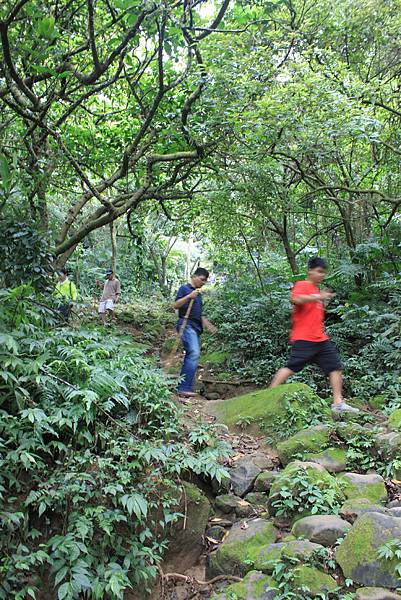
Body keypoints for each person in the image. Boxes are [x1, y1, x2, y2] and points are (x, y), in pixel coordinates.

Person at [269, 256, 359, 413]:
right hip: (304, 338)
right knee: (291, 367)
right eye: (318, 271)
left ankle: (338, 403)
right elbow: (296, 299)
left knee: (335, 367)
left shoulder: (318, 291)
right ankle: (268, 396)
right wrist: (319, 296)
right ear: (310, 271)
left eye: (323, 272)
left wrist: (320, 297)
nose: (321, 275)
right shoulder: (302, 285)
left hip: (320, 339)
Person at [173, 267, 217, 397]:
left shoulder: (199, 294)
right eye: (202, 280)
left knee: (192, 355)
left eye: (205, 281)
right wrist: (188, 296)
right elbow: (175, 305)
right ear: (194, 276)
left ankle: (185, 386)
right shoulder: (184, 289)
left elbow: (198, 313)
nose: (203, 283)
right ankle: (183, 387)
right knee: (194, 353)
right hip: (186, 325)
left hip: (196, 327)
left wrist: (207, 324)